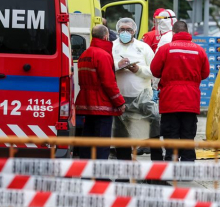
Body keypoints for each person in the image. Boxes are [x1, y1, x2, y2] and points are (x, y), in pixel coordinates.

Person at [150, 21, 210, 162]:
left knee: (171, 133)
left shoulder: (165, 49)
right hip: (191, 99)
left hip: (170, 99)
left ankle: (171, 163)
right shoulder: (199, 50)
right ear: (187, 31)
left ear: (174, 32)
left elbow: (155, 70)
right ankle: (188, 166)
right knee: (188, 134)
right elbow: (205, 73)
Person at [111, 18, 162, 160]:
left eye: (128, 30)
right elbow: (105, 68)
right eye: (122, 30)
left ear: (134, 31)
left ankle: (157, 166)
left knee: (153, 129)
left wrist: (138, 69)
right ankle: (124, 168)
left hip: (142, 98)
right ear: (117, 31)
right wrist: (117, 65)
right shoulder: (111, 47)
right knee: (122, 135)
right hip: (119, 98)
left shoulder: (144, 47)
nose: (125, 32)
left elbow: (154, 70)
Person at [75, 25, 126, 159]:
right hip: (101, 105)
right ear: (106, 36)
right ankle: (100, 176)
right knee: (102, 143)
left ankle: (85, 173)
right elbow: (109, 83)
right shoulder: (103, 55)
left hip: (86, 103)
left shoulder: (84, 55)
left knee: (87, 141)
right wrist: (119, 102)